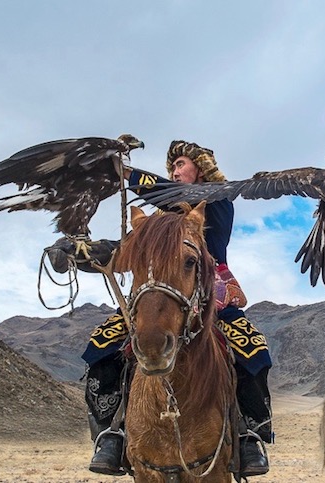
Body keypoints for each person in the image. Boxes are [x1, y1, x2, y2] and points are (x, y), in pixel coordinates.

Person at [74, 140, 273, 477]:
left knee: (252, 348)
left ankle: (247, 434)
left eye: (182, 165)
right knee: (101, 346)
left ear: (201, 166)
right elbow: (125, 255)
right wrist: (81, 253)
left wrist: (127, 174)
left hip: (211, 295)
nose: (176, 171)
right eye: (173, 168)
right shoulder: (159, 218)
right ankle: (114, 432)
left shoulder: (218, 199)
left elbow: (164, 192)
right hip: (162, 297)